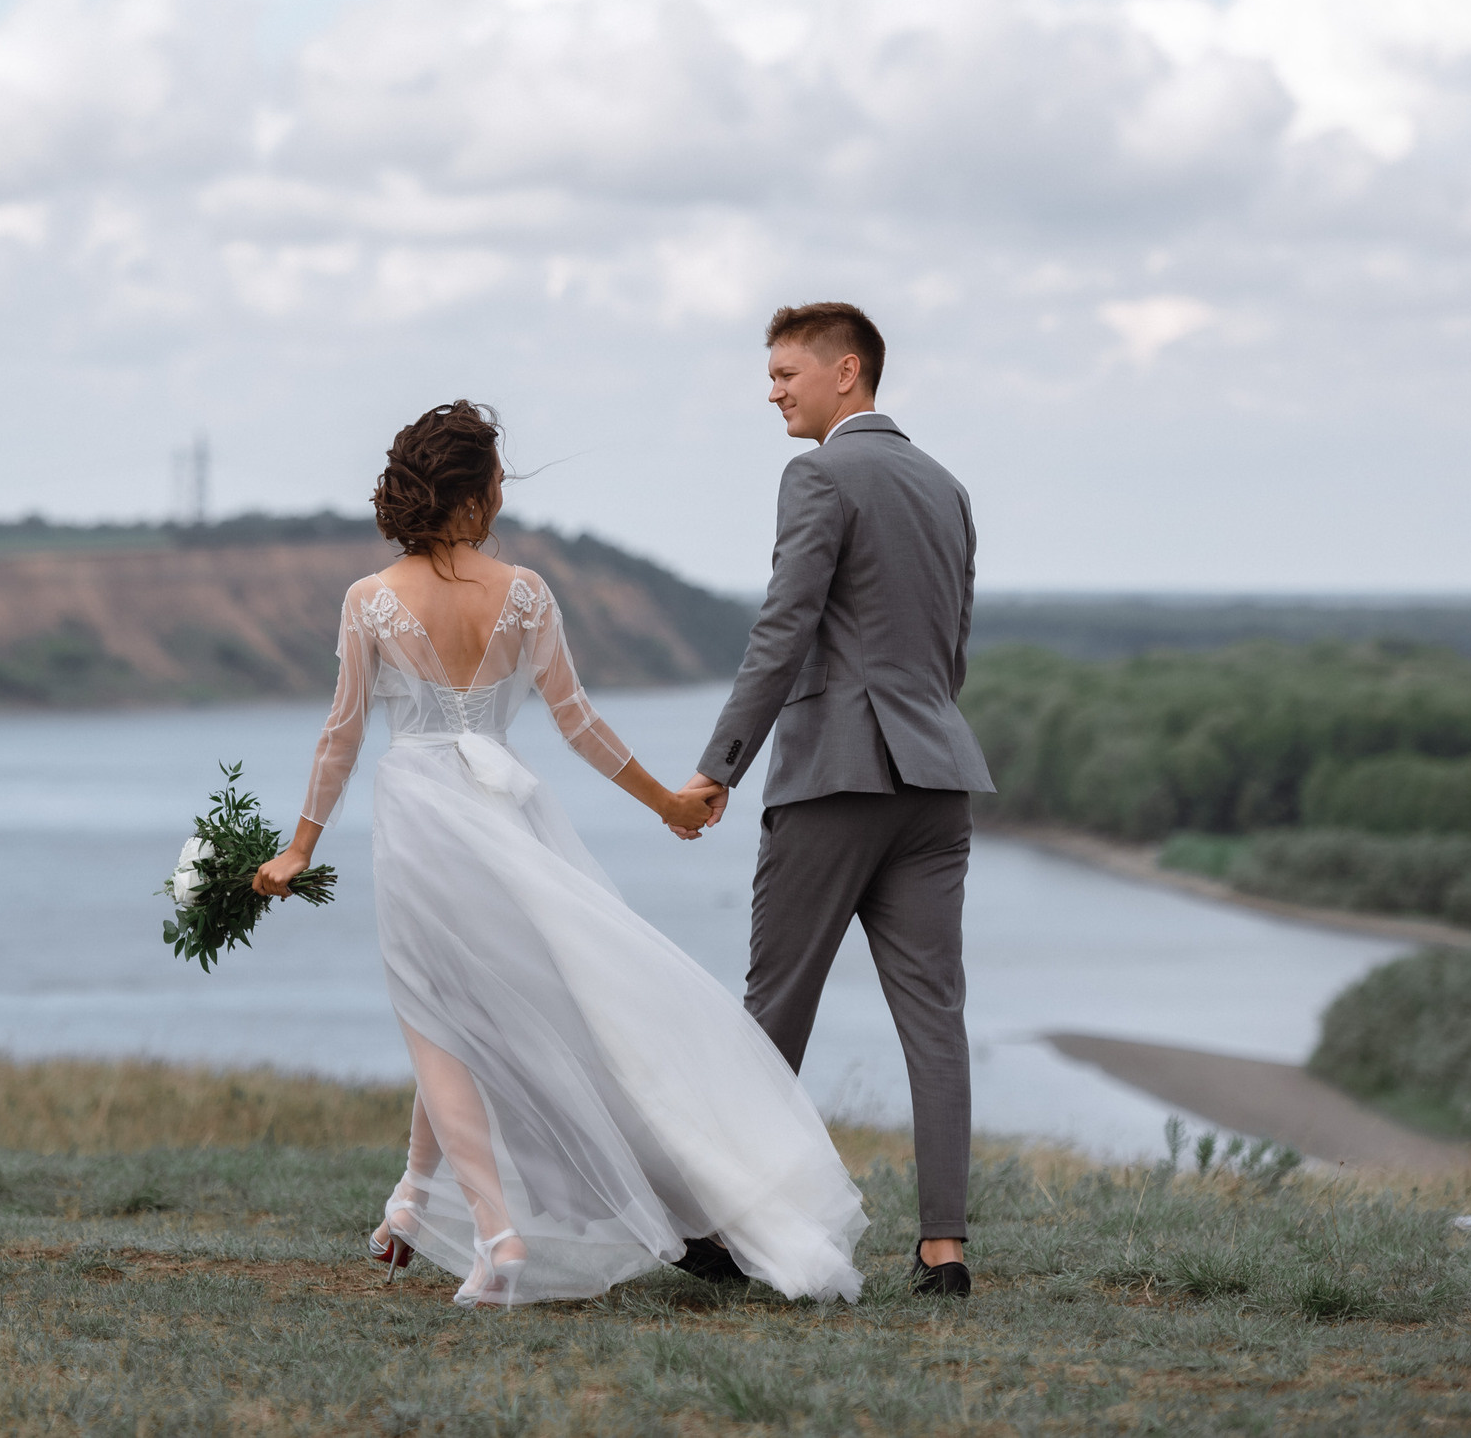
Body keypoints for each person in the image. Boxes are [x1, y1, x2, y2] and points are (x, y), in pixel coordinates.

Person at [251, 400, 870, 1308]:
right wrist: (666, 800)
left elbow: (339, 737)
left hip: (420, 816)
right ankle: (413, 1205)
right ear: (471, 493)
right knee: (462, 1010)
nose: (505, 490)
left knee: (439, 1020)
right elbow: (578, 723)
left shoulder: (371, 599)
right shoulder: (527, 590)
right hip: (507, 819)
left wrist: (299, 846)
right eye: (497, 477)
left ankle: (498, 1235)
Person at [675, 302, 997, 1299]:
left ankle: (730, 1232)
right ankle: (943, 1250)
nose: (770, 390)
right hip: (936, 779)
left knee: (773, 1007)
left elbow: (784, 627)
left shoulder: (816, 474)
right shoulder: (945, 487)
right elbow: (950, 648)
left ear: (846, 371)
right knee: (935, 1019)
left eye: (784, 373)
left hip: (837, 777)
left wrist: (718, 765)